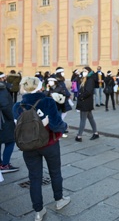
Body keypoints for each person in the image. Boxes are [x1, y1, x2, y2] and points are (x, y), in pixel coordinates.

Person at [12, 76, 70, 221]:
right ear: (40, 87)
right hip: (49, 144)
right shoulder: (47, 101)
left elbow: (17, 127)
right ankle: (59, 200)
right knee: (55, 173)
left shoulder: (17, 106)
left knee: (34, 178)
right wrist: (64, 127)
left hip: (29, 147)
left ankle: (38, 211)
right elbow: (56, 124)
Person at [0, 72, 18, 173]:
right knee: (10, 141)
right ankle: (5, 164)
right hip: (3, 120)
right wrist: (13, 117)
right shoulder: (2, 89)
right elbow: (5, 106)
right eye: (3, 77)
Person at [75, 67, 99, 142]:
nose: (83, 72)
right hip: (85, 101)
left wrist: (81, 97)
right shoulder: (84, 79)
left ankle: (79, 136)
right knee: (90, 118)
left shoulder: (90, 80)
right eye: (83, 71)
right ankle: (95, 133)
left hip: (85, 102)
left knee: (83, 119)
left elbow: (88, 91)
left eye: (85, 71)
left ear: (89, 72)